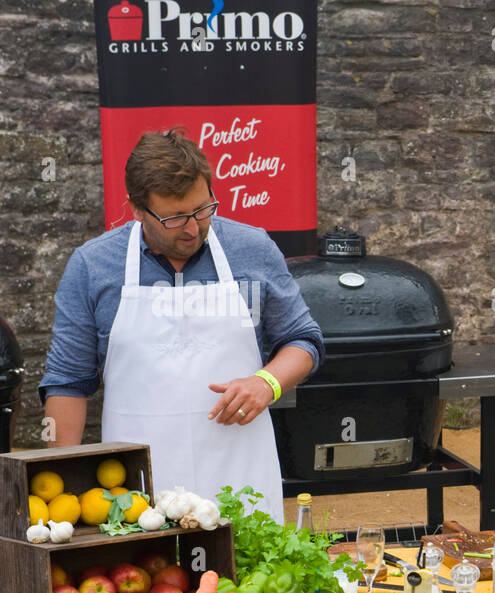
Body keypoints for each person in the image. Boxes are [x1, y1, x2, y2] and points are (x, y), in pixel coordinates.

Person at [39, 128, 324, 523]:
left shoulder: (251, 249)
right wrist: (60, 492)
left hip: (241, 474)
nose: (193, 228)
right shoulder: (93, 266)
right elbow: (68, 383)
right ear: (137, 209)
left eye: (203, 210)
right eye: (174, 218)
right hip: (137, 492)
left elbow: (304, 340)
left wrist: (266, 383)